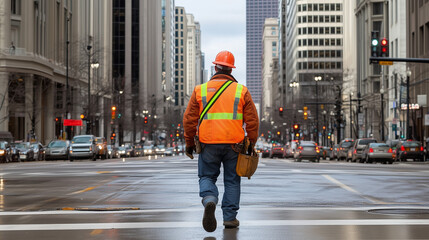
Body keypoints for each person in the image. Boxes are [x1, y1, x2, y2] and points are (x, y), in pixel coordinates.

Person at [183, 50, 259, 232]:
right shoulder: (242, 91)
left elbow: (189, 120)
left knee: (207, 176)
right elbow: (253, 121)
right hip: (235, 144)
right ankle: (230, 218)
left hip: (208, 143)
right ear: (231, 70)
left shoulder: (199, 90)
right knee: (232, 180)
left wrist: (189, 142)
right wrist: (251, 142)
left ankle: (210, 199)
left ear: (215, 67)